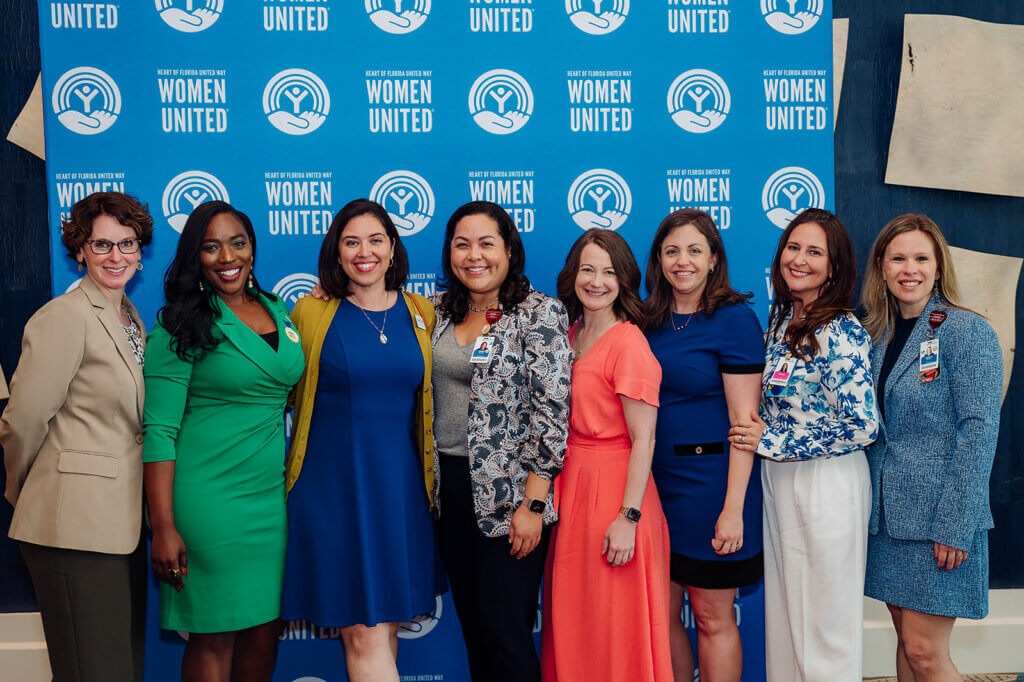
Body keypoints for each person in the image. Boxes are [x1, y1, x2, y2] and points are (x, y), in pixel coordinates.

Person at [280, 199, 445, 682]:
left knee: (385, 629)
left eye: (375, 240)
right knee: (365, 633)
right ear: (336, 252)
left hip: (400, 496)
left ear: (393, 249)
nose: (364, 252)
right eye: (351, 242)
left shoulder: (422, 313)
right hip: (334, 496)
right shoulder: (310, 313)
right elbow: (273, 394)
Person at [143, 201, 305, 682]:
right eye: (210, 247)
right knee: (214, 634)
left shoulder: (279, 308)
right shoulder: (180, 324)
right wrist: (164, 525)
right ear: (197, 255)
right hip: (208, 502)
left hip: (271, 501)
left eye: (237, 242)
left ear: (253, 248)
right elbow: (159, 431)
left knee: (264, 628)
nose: (226, 256)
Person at [0, 191, 153, 681]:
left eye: (126, 244)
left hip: (119, 525)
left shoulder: (129, 317)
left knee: (116, 669)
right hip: (70, 527)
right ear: (80, 249)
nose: (116, 257)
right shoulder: (65, 316)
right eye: (101, 245)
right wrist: (29, 491)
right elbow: (22, 420)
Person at [729, 208, 878, 682]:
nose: (800, 259)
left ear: (834, 268)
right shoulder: (782, 320)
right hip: (780, 479)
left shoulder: (841, 330)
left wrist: (771, 440)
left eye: (815, 252)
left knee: (825, 627)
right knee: (788, 618)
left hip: (827, 483)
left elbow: (862, 424)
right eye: (793, 247)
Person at [431, 200, 571, 682]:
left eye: (487, 243)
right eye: (462, 243)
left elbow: (552, 416)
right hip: (448, 491)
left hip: (513, 493)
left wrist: (533, 505)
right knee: (475, 629)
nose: (475, 255)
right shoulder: (436, 312)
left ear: (510, 250)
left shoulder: (540, 313)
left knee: (506, 632)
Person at [860, 214, 1002, 680]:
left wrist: (956, 525)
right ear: (881, 267)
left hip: (940, 526)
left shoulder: (967, 331)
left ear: (939, 268)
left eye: (922, 258)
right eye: (898, 258)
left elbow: (978, 431)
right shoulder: (876, 336)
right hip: (888, 524)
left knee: (925, 653)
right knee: (906, 647)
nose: (910, 269)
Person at [541, 228, 671, 682]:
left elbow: (645, 440)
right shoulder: (572, 332)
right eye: (588, 270)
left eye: (609, 272)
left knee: (615, 627)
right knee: (579, 623)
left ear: (625, 280)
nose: (596, 281)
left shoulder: (629, 344)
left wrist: (628, 518)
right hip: (574, 490)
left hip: (616, 495)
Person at [643, 209, 765, 681]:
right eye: (672, 251)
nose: (682, 261)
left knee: (713, 618)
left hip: (712, 489)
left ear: (714, 259)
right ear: (659, 259)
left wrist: (733, 508)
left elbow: (743, 423)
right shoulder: (648, 319)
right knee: (661, 614)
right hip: (656, 488)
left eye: (695, 250)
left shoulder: (734, 320)